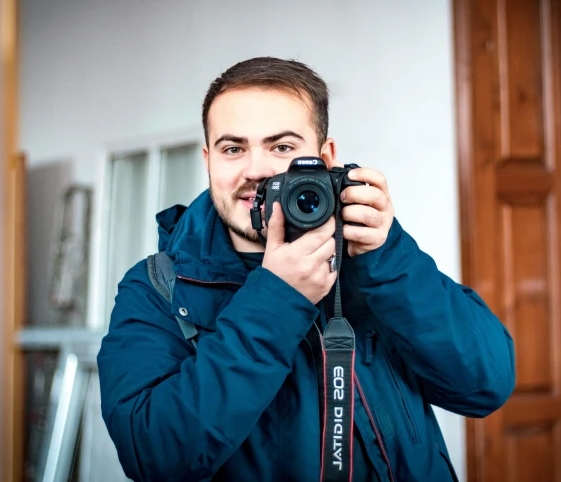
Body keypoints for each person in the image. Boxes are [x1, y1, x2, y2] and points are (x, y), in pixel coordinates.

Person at [97, 57, 515, 481]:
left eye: (281, 147)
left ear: (325, 157)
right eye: (233, 148)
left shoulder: (374, 259)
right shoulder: (158, 288)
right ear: (209, 160)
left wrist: (389, 258)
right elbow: (152, 455)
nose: (256, 169)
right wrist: (277, 298)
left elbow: (486, 384)